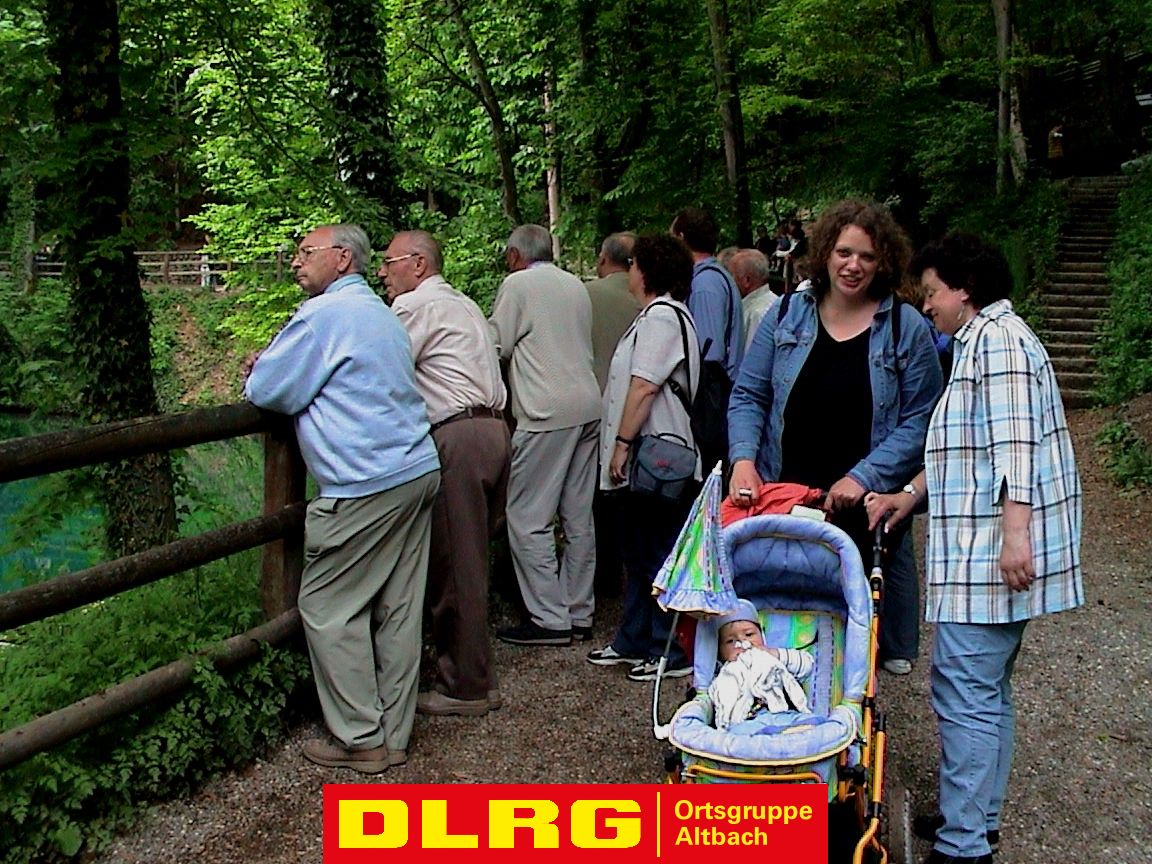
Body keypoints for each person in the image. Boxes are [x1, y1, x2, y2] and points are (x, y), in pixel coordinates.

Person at [865, 233, 1083, 864]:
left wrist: (1015, 538)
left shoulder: (998, 342)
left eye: (932, 292)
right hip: (987, 554)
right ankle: (976, 821)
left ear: (964, 289)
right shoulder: (984, 340)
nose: (926, 304)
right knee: (987, 692)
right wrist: (909, 494)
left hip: (988, 557)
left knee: (964, 692)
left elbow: (1015, 448)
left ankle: (964, 845)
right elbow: (965, 450)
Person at [244, 223, 440, 774]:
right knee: (398, 609)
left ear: (343, 259)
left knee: (327, 608)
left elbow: (270, 389)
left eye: (306, 252)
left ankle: (360, 738)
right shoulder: (380, 312)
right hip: (415, 468)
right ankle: (393, 737)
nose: (296, 262)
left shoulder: (324, 316)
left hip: (365, 481)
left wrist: (258, 370)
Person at [727, 199, 943, 677]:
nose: (853, 265)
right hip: (787, 498)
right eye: (844, 252)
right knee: (784, 625)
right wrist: (743, 459)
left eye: (867, 256)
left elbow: (922, 418)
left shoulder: (905, 327)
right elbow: (749, 394)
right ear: (825, 253)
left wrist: (864, 476)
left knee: (854, 653)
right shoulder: (786, 315)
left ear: (883, 262)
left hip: (862, 509)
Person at [380, 229, 510, 718]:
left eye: (389, 262)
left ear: (417, 264)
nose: (383, 272)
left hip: (458, 435)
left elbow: (381, 366)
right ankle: (478, 676)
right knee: (472, 559)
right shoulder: (463, 304)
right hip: (495, 430)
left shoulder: (415, 307)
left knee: (455, 564)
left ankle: (464, 686)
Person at [586, 233, 701, 682]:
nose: (629, 271)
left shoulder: (662, 317)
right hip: (652, 453)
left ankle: (666, 648)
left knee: (655, 549)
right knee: (637, 548)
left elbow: (645, 385)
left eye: (634, 264)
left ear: (648, 270)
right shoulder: (659, 316)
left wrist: (622, 443)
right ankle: (633, 638)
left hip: (654, 454)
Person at [489, 224, 602, 646]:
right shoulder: (575, 285)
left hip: (546, 410)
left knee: (527, 516)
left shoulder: (518, 285)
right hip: (587, 404)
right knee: (578, 515)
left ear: (514, 256)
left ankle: (549, 617)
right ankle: (579, 608)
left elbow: (496, 344)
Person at [586, 231, 641, 600]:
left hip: (596, 408)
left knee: (597, 502)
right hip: (640, 411)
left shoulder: (586, 295)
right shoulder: (645, 301)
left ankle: (603, 578)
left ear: (603, 259)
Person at [670, 207, 744, 470]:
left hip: (711, 401)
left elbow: (707, 353)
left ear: (681, 238)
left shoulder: (705, 285)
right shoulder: (714, 277)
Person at [708, 599, 814, 732]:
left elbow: (807, 665)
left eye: (749, 634)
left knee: (811, 721)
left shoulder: (773, 660)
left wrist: (775, 654)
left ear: (762, 636)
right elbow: (716, 695)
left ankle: (796, 729)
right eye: (730, 641)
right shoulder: (724, 673)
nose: (742, 642)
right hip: (748, 721)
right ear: (719, 651)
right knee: (741, 731)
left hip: (782, 712)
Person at [728, 247, 779, 350]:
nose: (728, 282)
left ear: (746, 280)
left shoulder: (757, 314)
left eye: (731, 276)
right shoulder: (775, 301)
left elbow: (752, 355)